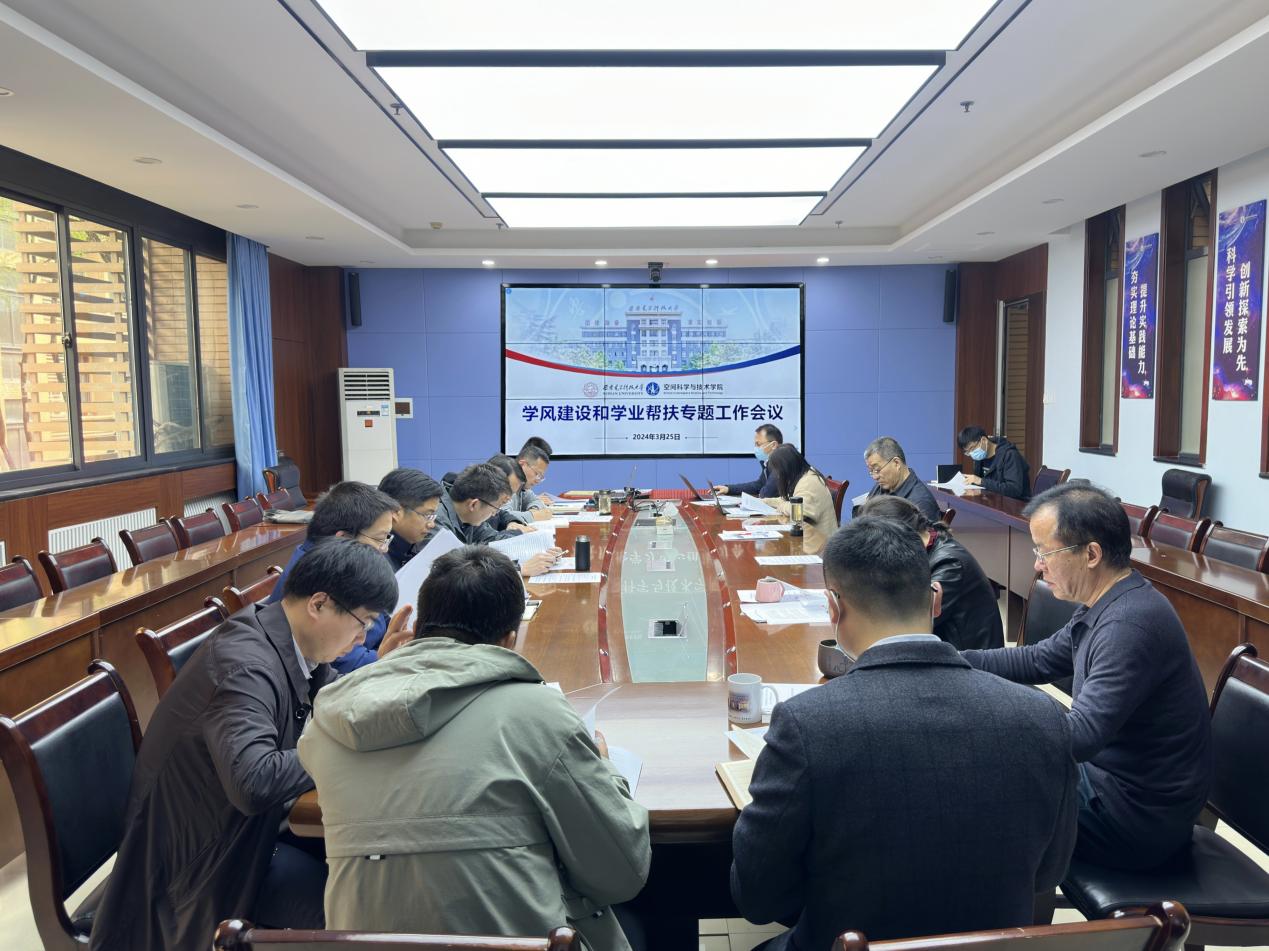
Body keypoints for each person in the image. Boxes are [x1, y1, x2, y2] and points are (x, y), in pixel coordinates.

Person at [731, 517, 1076, 949]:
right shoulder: (1043, 718)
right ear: (936, 599)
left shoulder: (807, 725)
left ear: (833, 608)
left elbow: (758, 899)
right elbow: (1048, 873)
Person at [298, 546, 650, 949]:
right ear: (509, 640)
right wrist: (604, 769)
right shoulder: (537, 713)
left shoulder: (328, 718)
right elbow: (621, 873)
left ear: (419, 627)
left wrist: (382, 672)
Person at [89, 541, 398, 951]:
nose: (363, 638)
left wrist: (381, 679)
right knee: (360, 913)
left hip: (245, 834)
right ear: (319, 604)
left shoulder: (286, 637)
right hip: (199, 870)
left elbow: (330, 700)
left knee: (370, 873)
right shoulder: (245, 665)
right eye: (364, 623)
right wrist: (343, 743)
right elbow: (254, 782)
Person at [963, 483, 1212, 870]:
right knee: (983, 778)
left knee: (979, 793)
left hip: (1135, 818)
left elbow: (1080, 736)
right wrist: (953, 660)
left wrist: (995, 729)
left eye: (1044, 552)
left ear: (1091, 554)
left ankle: (1012, 906)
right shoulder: (1109, 601)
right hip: (1108, 786)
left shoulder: (1130, 624)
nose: (1037, 565)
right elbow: (1038, 659)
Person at [267, 481, 415, 674]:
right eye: (380, 539)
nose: (384, 549)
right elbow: (343, 662)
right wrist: (386, 659)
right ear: (343, 538)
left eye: (387, 539)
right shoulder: (322, 578)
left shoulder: (347, 568)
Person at [860, 495, 1003, 650]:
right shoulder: (922, 548)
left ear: (895, 537)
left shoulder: (949, 563)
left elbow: (911, 623)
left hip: (968, 657)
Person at [435, 463, 562, 576]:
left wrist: (539, 547)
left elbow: (492, 540)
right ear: (474, 505)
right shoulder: (437, 522)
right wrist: (519, 569)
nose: (494, 514)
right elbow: (453, 574)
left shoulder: (469, 516)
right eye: (496, 508)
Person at [863, 435, 942, 523]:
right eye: (871, 471)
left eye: (877, 470)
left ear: (896, 463)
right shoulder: (880, 487)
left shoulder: (921, 503)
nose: (875, 477)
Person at [378, 467, 444, 570]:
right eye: (427, 515)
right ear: (396, 512)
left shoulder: (408, 548)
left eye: (432, 516)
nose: (431, 524)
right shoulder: (375, 561)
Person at [762, 444, 838, 528]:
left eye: (778, 471)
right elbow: (787, 499)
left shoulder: (808, 482)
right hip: (808, 532)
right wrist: (763, 502)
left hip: (818, 535)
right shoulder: (803, 475)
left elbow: (799, 512)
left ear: (786, 468)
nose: (778, 475)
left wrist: (782, 506)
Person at [958, 425, 1032, 500]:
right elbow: (982, 485)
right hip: (991, 501)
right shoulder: (980, 457)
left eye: (972, 448)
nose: (972, 453)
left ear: (984, 440)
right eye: (968, 452)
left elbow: (1014, 489)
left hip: (1015, 503)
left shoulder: (1010, 455)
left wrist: (981, 481)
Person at [713, 424, 782, 497]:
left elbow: (767, 494)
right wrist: (728, 489)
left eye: (758, 444)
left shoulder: (781, 463)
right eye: (755, 445)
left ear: (773, 445)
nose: (756, 448)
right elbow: (759, 485)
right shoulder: (767, 463)